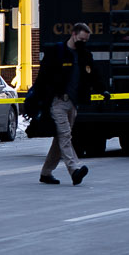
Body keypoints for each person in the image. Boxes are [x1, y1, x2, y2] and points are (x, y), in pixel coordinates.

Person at [28, 23, 102, 186]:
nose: (84, 42)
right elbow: (43, 77)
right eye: (82, 39)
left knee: (60, 138)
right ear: (74, 34)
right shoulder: (57, 52)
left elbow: (93, 75)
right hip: (58, 101)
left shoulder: (84, 55)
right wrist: (38, 101)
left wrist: (102, 90)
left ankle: (46, 173)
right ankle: (74, 169)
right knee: (65, 135)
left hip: (73, 104)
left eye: (86, 40)